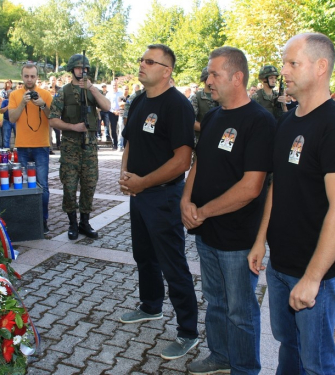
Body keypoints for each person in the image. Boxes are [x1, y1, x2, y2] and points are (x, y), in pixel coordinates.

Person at [247, 33, 335, 375]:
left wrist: (312, 278)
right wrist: (259, 241)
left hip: (317, 273)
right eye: (284, 63)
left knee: (317, 362)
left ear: (321, 67)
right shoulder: (287, 121)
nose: (284, 71)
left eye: (293, 63)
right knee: (289, 346)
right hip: (281, 266)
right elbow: (277, 186)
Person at [182, 46, 275, 375]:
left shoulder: (261, 121)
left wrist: (203, 211)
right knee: (216, 301)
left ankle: (245, 368)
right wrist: (185, 200)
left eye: (214, 74)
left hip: (238, 237)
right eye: (208, 74)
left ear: (237, 77)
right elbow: (199, 162)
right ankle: (220, 356)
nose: (208, 81)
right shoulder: (211, 116)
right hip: (206, 233)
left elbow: (252, 188)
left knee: (241, 310)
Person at [118, 44, 198, 361]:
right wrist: (125, 174)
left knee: (172, 263)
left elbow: (183, 160)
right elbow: (130, 141)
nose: (142, 64)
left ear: (166, 71)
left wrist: (143, 182)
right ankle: (151, 305)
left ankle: (188, 331)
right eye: (141, 59)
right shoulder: (139, 100)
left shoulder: (177, 106)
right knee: (144, 256)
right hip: (139, 194)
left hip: (163, 196)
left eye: (150, 61)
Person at [48, 53, 110, 240]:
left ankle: (85, 222)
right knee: (69, 187)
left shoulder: (93, 90)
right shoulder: (64, 92)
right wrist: (73, 127)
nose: (81, 71)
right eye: (77, 68)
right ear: (72, 70)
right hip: (70, 148)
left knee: (89, 185)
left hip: (90, 148)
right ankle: (72, 223)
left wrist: (92, 89)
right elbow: (52, 120)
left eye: (84, 69)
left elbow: (106, 107)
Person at [8, 64, 53, 234]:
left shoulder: (46, 94)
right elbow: (12, 118)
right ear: (22, 76)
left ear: (37, 77)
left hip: (41, 145)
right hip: (22, 146)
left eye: (32, 76)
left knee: (43, 185)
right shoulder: (15, 95)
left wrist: (42, 105)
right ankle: (26, 218)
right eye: (26, 76)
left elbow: (53, 117)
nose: (29, 79)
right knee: (22, 184)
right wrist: (22, 103)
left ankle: (43, 219)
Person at [190, 67, 219, 144]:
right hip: (201, 141)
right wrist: (210, 128)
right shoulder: (196, 97)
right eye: (208, 78)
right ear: (204, 80)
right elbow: (191, 121)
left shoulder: (222, 97)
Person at [105, 80, 123, 150]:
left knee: (120, 128)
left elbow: (123, 102)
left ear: (117, 85)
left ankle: (120, 144)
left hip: (120, 112)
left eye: (115, 85)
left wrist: (119, 111)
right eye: (113, 85)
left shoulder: (121, 93)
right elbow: (107, 104)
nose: (114, 86)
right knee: (113, 128)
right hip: (111, 113)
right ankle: (115, 144)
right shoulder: (108, 94)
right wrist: (113, 111)